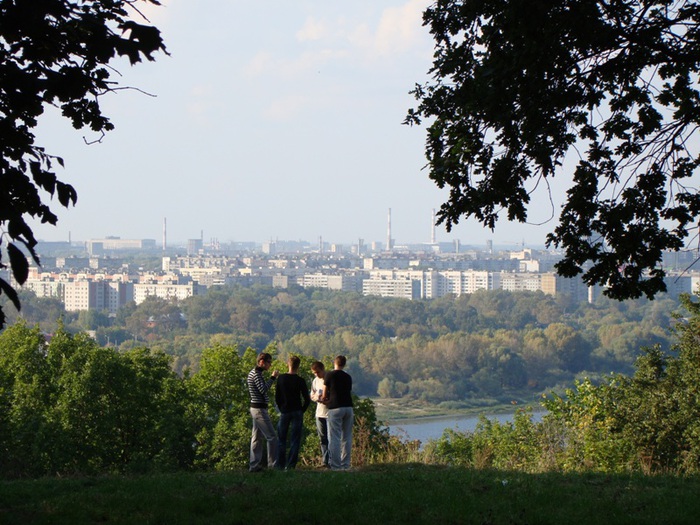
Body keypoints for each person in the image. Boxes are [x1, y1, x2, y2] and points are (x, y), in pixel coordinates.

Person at [274, 355, 311, 470]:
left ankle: (280, 465)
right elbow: (307, 398)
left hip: (285, 411)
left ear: (288, 364)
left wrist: (281, 408)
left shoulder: (281, 378)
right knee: (295, 440)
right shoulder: (300, 381)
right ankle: (290, 466)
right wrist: (302, 409)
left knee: (281, 439)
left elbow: (277, 396)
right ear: (298, 366)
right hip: (297, 411)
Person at [247, 352, 279, 472]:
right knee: (271, 437)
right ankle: (273, 465)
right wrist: (273, 377)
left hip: (256, 408)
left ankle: (254, 465)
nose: (270, 365)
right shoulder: (256, 374)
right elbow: (263, 389)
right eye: (269, 362)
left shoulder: (255, 373)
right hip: (259, 409)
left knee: (256, 437)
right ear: (262, 362)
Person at [323, 355, 353, 471]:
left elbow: (325, 395)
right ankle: (346, 465)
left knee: (334, 437)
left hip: (335, 408)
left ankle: (336, 466)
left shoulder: (329, 375)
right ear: (344, 364)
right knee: (347, 437)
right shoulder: (348, 377)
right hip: (348, 407)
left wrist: (324, 400)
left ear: (334, 363)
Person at [310, 361, 329, 468]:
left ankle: (332, 460)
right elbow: (311, 395)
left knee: (331, 438)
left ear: (323, 369)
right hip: (319, 413)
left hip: (329, 413)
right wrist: (317, 398)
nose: (316, 374)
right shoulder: (315, 381)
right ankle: (325, 461)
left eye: (317, 372)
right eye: (314, 373)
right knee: (322, 438)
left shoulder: (329, 378)